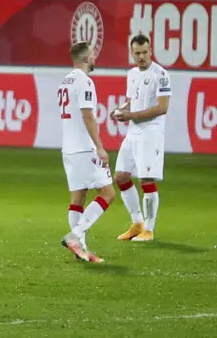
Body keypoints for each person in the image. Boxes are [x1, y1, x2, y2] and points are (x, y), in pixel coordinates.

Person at [58, 41, 115, 263]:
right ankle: (75, 235)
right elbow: (87, 115)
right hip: (83, 149)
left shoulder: (65, 82)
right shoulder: (85, 82)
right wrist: (100, 147)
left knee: (78, 199)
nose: (94, 57)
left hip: (69, 150)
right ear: (85, 58)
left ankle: (80, 247)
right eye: (92, 54)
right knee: (108, 194)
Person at [111, 34, 171, 242]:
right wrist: (120, 111)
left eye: (145, 52)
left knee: (146, 179)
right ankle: (137, 223)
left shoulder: (161, 75)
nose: (141, 56)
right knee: (121, 176)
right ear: (132, 53)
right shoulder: (132, 74)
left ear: (151, 50)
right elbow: (130, 102)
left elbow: (162, 107)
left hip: (150, 132)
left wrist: (131, 116)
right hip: (133, 132)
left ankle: (149, 230)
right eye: (137, 53)